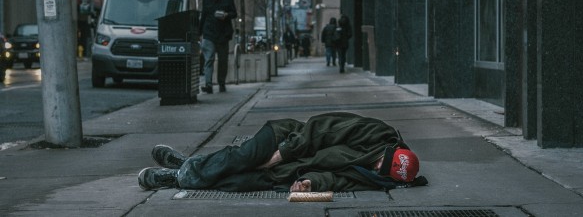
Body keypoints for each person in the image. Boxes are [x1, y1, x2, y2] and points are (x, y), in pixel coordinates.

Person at [137, 112, 427, 192]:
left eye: (382, 170)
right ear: (391, 149)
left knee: (237, 182)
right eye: (381, 161)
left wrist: (312, 183)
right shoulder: (376, 133)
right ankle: (175, 177)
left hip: (291, 171)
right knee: (240, 159)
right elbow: (321, 128)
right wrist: (282, 153)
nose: (376, 167)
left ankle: (186, 165)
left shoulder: (379, 178)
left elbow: (342, 181)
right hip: (286, 138)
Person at [198, 0, 237, 94]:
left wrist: (226, 15)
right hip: (209, 34)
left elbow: (234, 13)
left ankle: (221, 83)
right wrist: (199, 33)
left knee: (222, 61)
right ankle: (208, 85)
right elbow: (203, 16)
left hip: (223, 34)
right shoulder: (206, 0)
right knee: (208, 59)